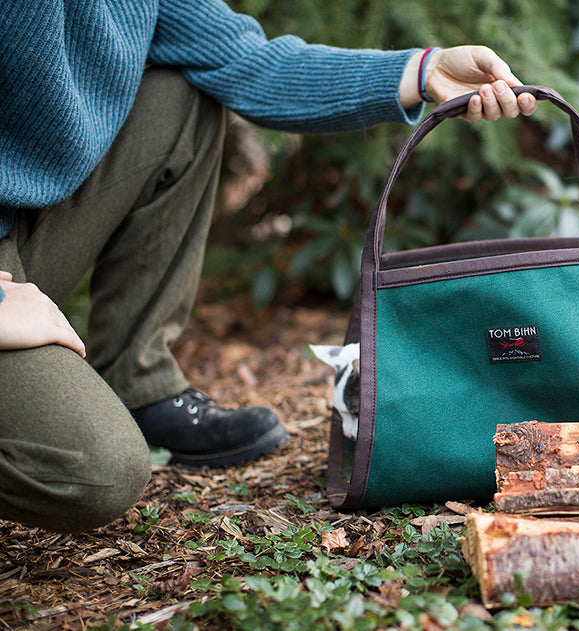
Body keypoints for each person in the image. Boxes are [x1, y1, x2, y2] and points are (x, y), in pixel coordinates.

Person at [0, 0, 537, 534]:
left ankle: (140, 384)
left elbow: (246, 62)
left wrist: (425, 70)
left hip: (21, 227)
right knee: (94, 472)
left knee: (179, 96)